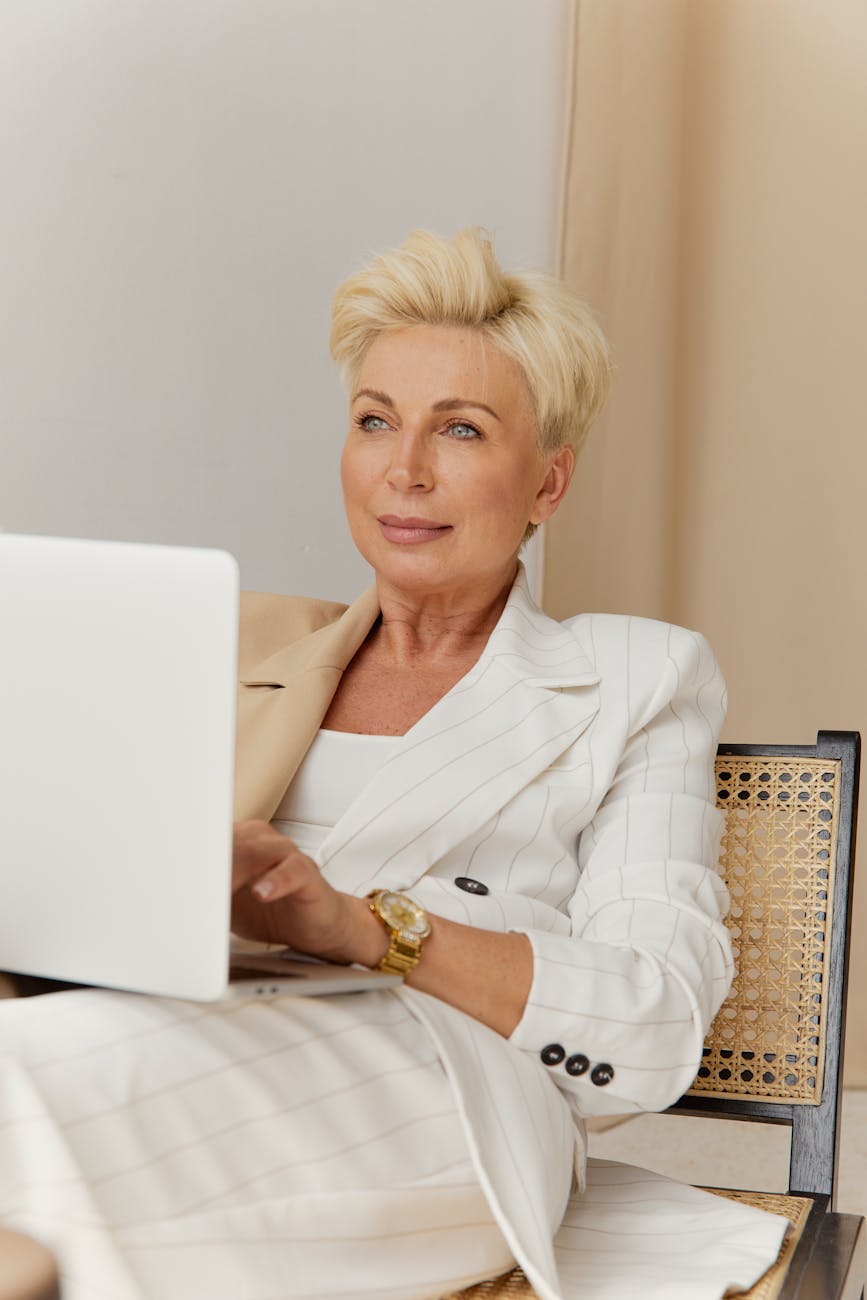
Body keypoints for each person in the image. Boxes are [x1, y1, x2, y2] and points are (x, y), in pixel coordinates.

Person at [0, 229, 788, 1300]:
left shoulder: (634, 677)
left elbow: (657, 1021)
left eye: (459, 429)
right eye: (375, 421)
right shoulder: (234, 643)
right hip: (177, 1023)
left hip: (445, 1093)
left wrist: (374, 928)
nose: (404, 469)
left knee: (37, 1085)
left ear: (549, 482)